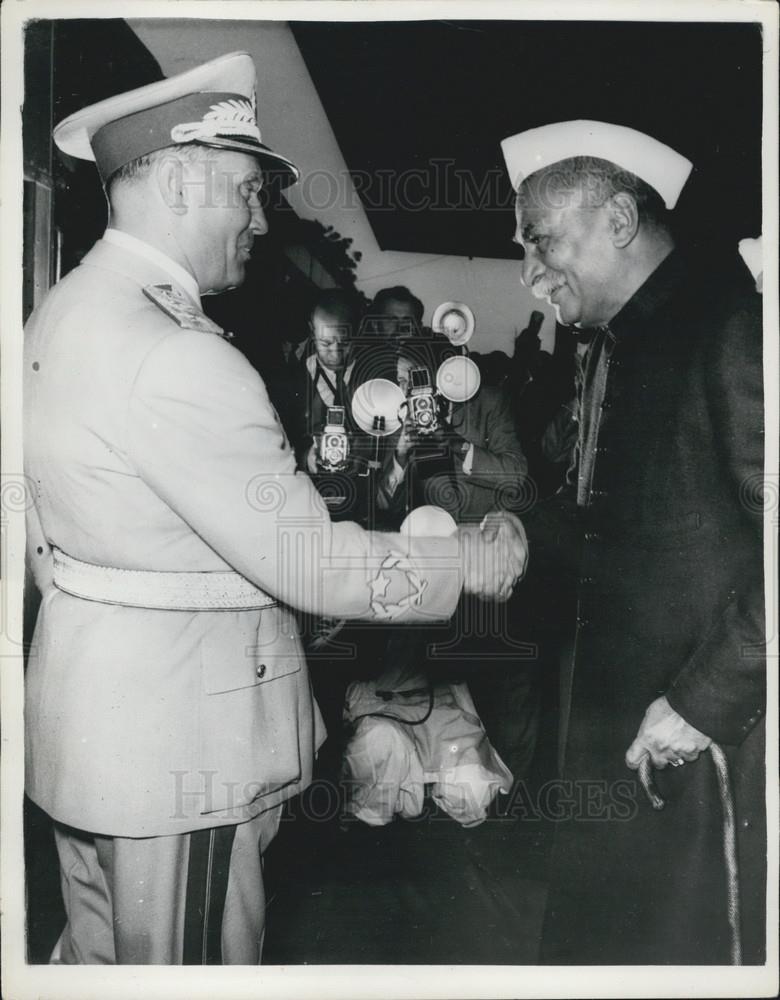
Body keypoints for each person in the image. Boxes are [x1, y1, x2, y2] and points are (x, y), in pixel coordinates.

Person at [22, 51, 528, 966]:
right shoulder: (175, 353)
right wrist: (467, 558)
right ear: (179, 178)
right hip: (184, 753)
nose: (262, 220)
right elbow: (307, 562)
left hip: (100, 735)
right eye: (248, 191)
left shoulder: (63, 311)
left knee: (98, 968)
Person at [500, 119, 765, 963]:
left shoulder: (735, 326)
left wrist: (699, 703)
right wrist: (514, 532)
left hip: (695, 748)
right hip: (613, 743)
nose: (531, 276)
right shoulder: (617, 342)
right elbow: (610, 517)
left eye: (541, 241)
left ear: (617, 220)